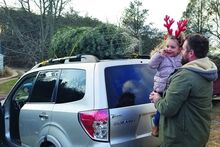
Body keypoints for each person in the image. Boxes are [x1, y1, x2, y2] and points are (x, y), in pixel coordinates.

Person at [149, 33, 218, 147]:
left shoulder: (185, 76)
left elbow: (167, 108)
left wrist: (157, 99)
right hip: (198, 135)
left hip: (181, 140)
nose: (181, 52)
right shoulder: (205, 71)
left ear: (190, 53)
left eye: (183, 49)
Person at [149, 15, 187, 137]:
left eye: (172, 47)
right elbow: (151, 65)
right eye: (167, 46)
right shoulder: (161, 56)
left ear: (179, 49)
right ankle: (155, 125)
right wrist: (159, 54)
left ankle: (168, 130)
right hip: (161, 88)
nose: (169, 49)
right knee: (161, 110)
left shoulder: (180, 58)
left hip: (173, 87)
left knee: (170, 110)